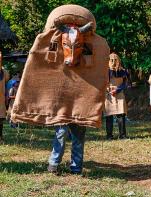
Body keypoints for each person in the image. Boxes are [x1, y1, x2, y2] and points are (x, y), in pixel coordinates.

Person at [11, 4, 110, 175]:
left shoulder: (95, 49)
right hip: (60, 101)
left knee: (78, 134)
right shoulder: (50, 47)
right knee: (61, 132)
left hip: (81, 101)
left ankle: (76, 167)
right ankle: (54, 164)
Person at [104, 53, 128, 140]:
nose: (113, 62)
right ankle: (109, 135)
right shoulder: (105, 71)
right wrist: (108, 90)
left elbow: (125, 83)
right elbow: (102, 83)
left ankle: (122, 135)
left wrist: (117, 90)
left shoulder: (123, 71)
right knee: (109, 115)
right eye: (111, 60)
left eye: (115, 60)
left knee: (121, 114)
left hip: (119, 94)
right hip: (108, 94)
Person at [0, 51, 9, 143]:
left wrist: (6, 96)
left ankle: (0, 137)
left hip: (1, 100)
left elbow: (6, 85)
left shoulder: (5, 72)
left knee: (1, 120)